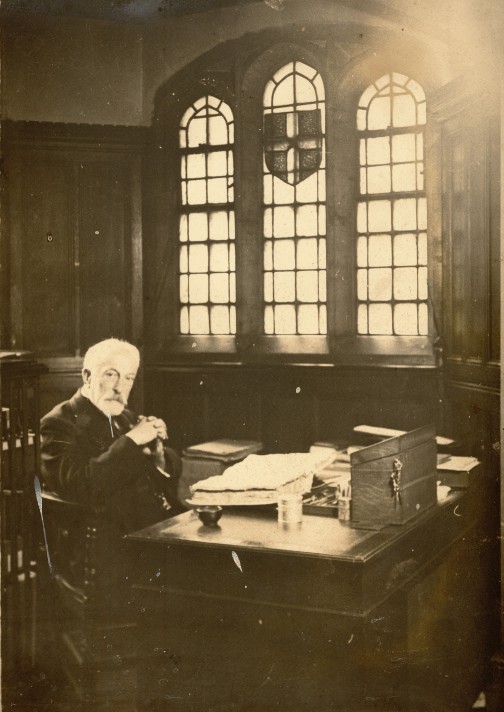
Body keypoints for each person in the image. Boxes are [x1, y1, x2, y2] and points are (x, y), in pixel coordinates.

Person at [40, 338, 186, 603]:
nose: (120, 388)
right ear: (87, 376)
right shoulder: (58, 423)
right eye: (111, 375)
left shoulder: (125, 416)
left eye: (128, 378)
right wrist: (131, 441)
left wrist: (159, 456)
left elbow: (161, 475)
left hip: (150, 535)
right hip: (107, 549)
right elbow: (81, 484)